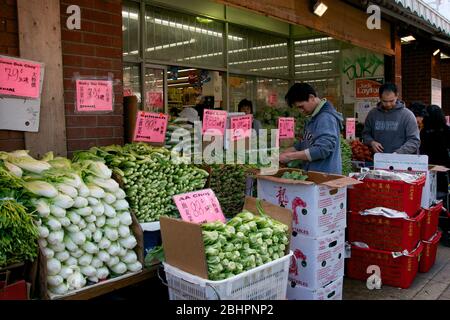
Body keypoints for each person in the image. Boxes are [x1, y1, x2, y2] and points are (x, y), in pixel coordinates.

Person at [279, 83, 343, 174]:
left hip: (325, 177)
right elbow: (306, 142)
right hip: (314, 175)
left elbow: (323, 149)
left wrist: (290, 156)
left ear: (311, 97)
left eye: (301, 106)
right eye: (297, 108)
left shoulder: (325, 117)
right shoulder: (312, 116)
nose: (300, 111)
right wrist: (286, 151)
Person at [362, 83, 420, 154]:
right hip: (378, 159)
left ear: (397, 96)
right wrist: (371, 142)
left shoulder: (407, 115)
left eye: (391, 101)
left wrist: (398, 153)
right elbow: (365, 134)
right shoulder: (372, 114)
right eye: (384, 101)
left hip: (401, 161)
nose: (388, 104)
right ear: (379, 98)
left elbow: (414, 140)